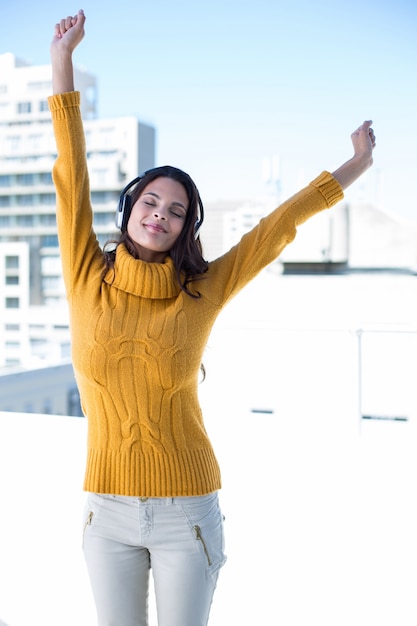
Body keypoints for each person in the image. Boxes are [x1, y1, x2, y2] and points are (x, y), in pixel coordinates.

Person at [49, 9, 376, 626]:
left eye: (176, 211)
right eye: (150, 201)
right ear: (130, 210)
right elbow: (73, 173)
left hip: (186, 511)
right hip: (105, 510)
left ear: (184, 229)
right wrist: (62, 62)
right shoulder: (84, 272)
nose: (160, 215)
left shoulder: (203, 288)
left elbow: (275, 227)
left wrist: (353, 165)